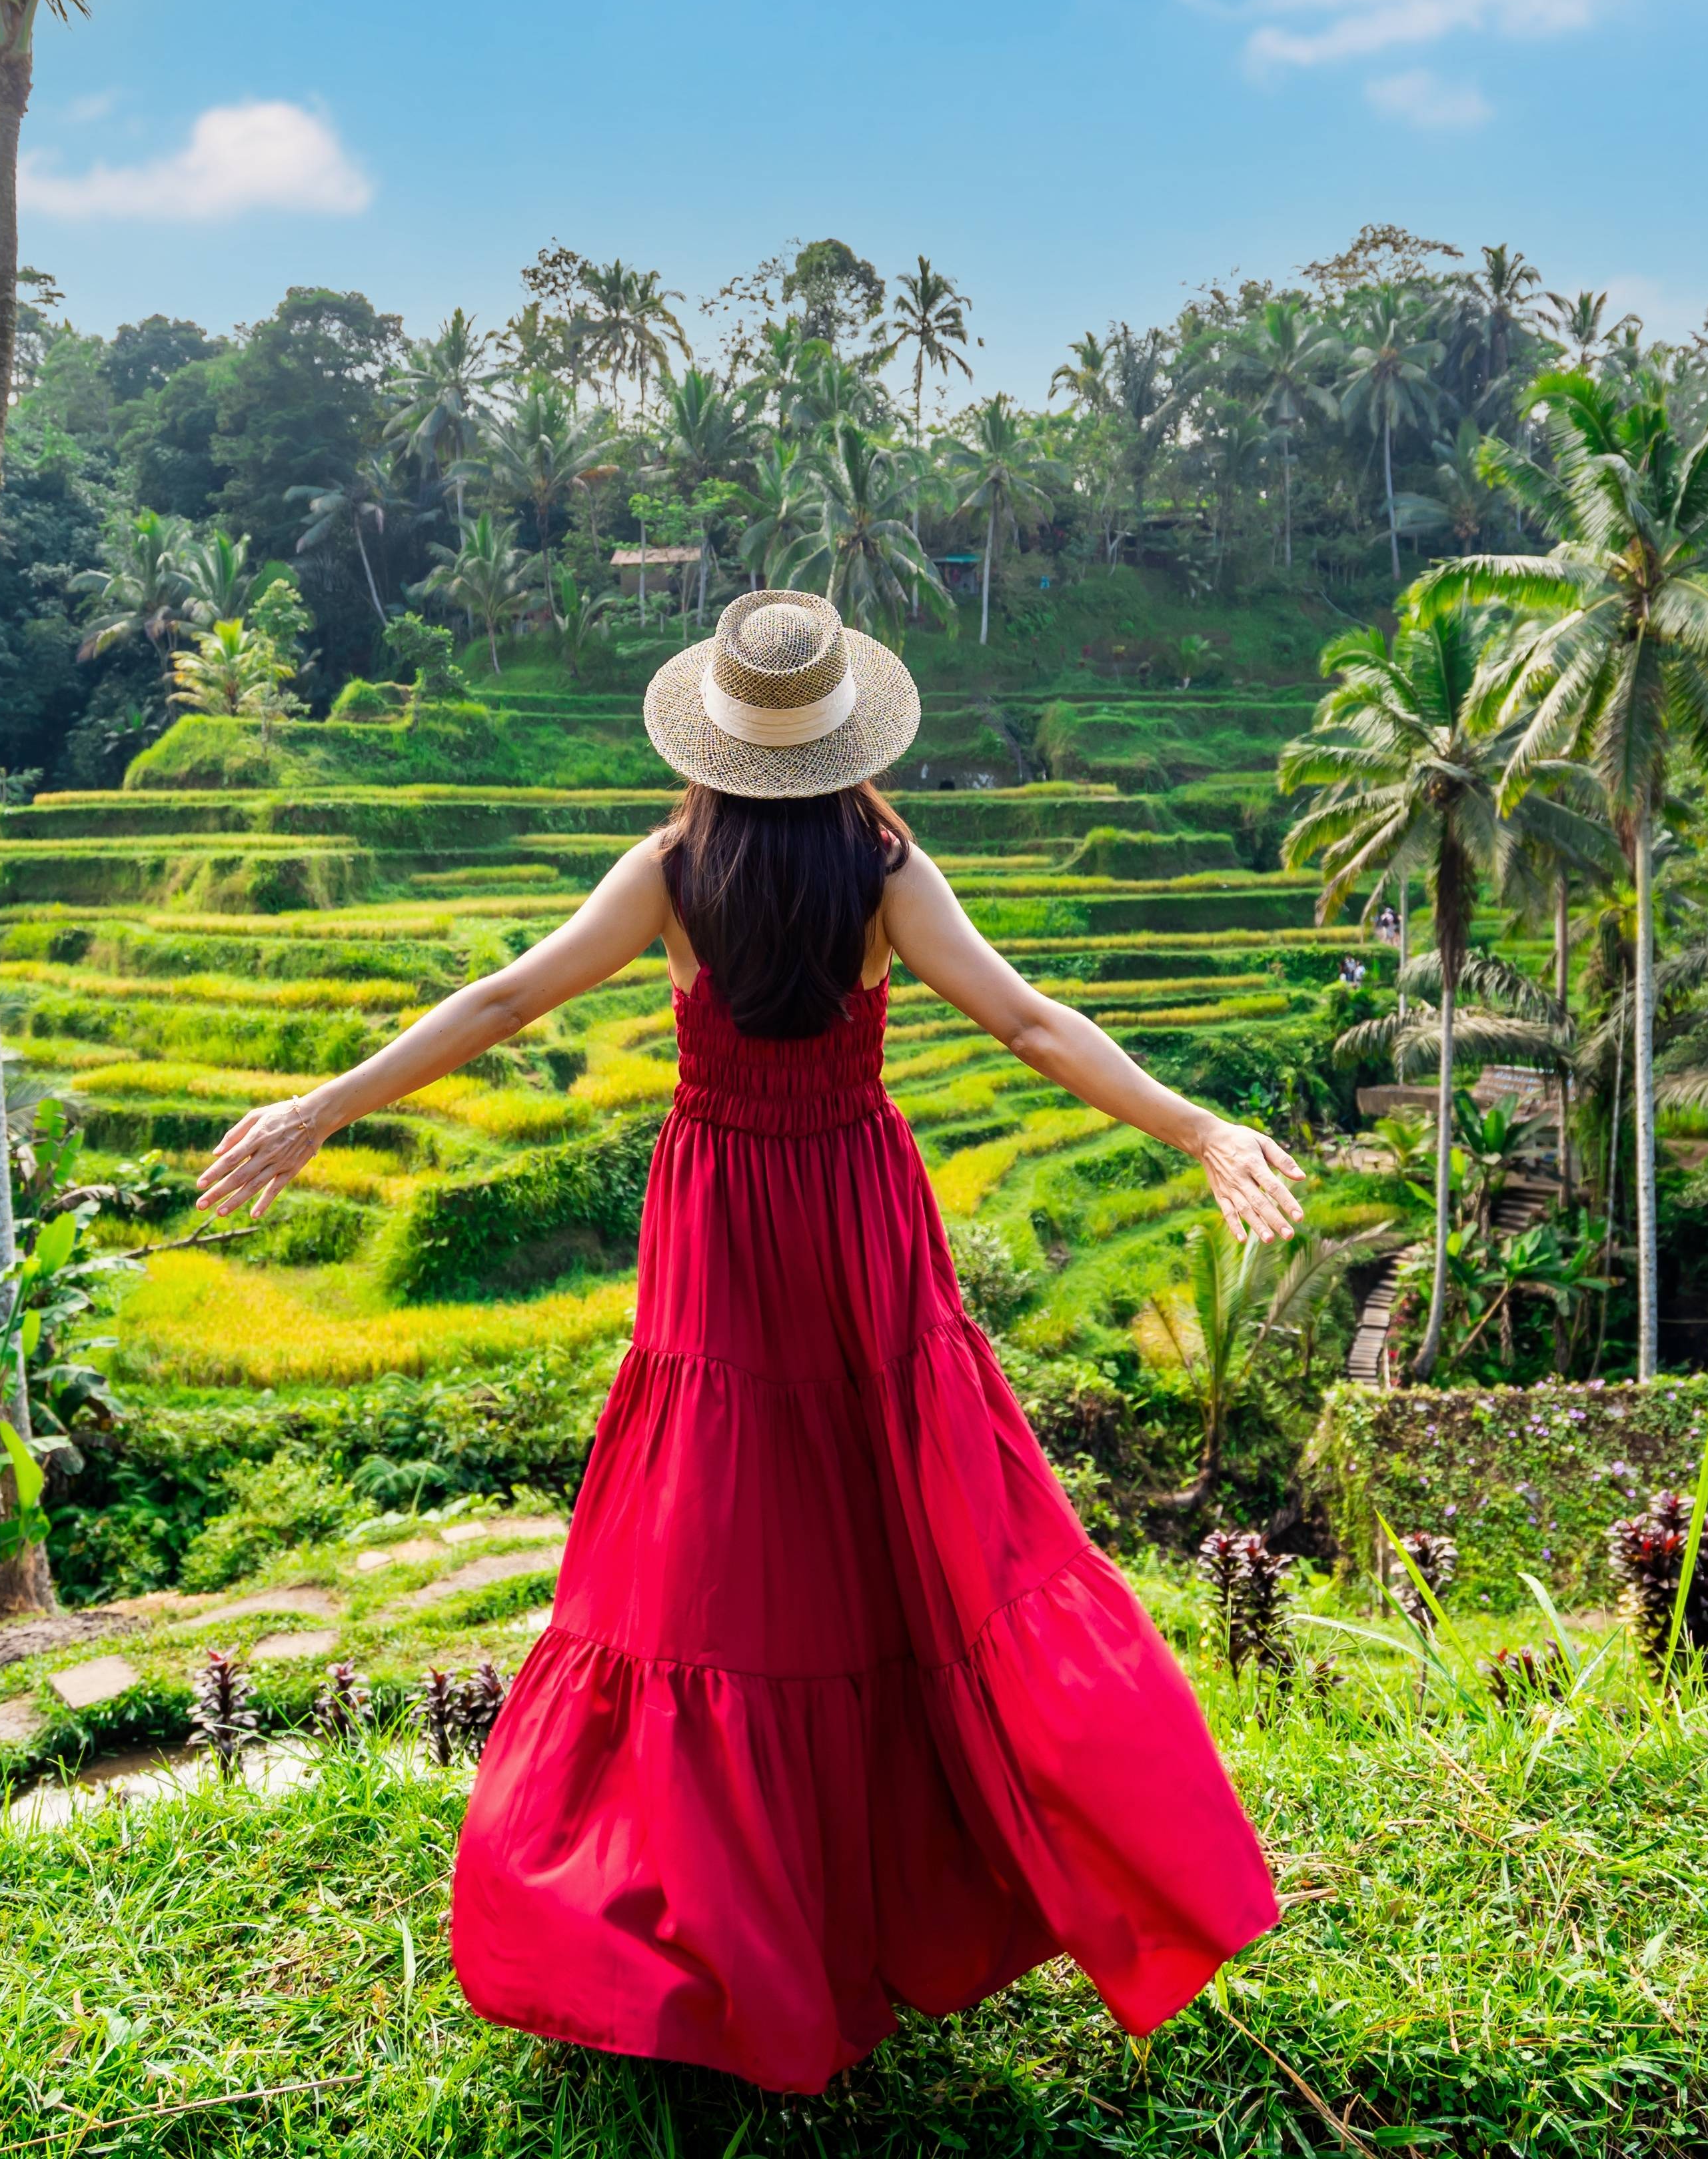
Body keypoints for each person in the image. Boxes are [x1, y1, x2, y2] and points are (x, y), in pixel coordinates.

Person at [197, 588, 1305, 2094]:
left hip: (721, 1218)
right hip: (857, 1213)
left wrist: (320, 1105)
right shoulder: (886, 868)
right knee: (899, 1528)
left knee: (721, 1554)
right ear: (847, 737)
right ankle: (917, 1882)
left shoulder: (670, 869)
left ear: (711, 739)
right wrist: (1197, 1125)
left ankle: (727, 1931)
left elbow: (511, 993)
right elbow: (1033, 1024)